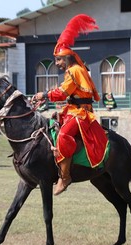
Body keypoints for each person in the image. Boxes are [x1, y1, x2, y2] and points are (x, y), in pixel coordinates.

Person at [35, 14, 107, 195]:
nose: (57, 63)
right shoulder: (73, 70)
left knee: (64, 136)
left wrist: (43, 94)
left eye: (59, 60)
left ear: (67, 57)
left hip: (81, 113)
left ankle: (65, 176)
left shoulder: (75, 70)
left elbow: (62, 92)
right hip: (73, 110)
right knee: (53, 125)